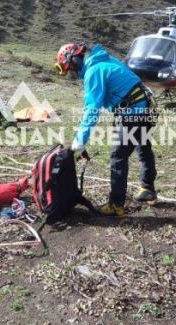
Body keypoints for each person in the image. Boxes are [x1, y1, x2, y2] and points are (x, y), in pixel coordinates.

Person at [55, 42, 157, 217]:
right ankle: (148, 188)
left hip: (134, 111)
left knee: (118, 157)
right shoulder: (104, 60)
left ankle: (116, 205)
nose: (72, 73)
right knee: (143, 148)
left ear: (74, 60)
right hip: (146, 107)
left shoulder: (93, 71)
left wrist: (79, 142)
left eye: (70, 68)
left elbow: (92, 111)